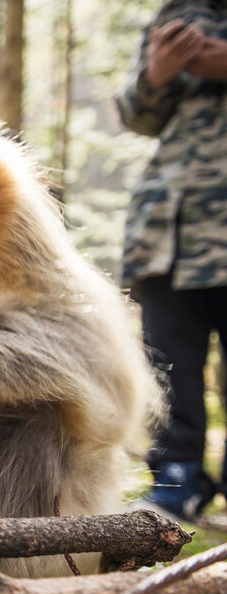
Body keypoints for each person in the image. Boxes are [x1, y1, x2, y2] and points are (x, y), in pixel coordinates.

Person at [117, 1, 227, 521]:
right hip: (171, 229)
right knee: (168, 362)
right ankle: (176, 478)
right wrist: (156, 75)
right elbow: (136, 115)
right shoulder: (179, 13)